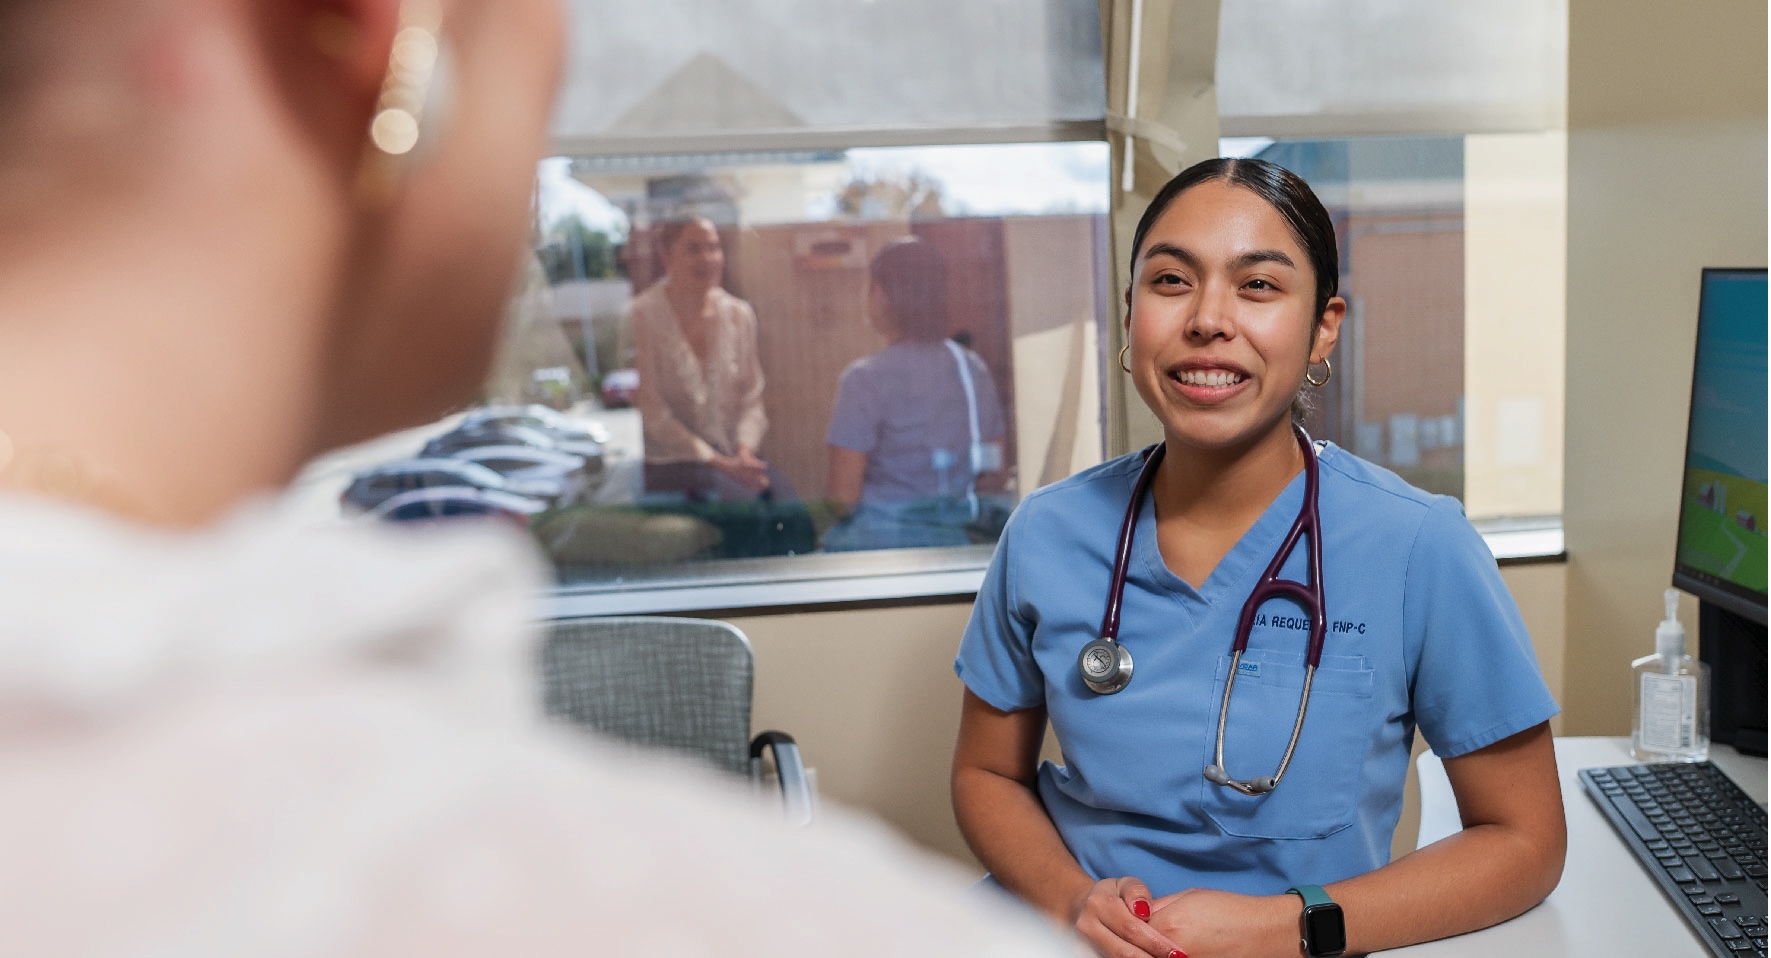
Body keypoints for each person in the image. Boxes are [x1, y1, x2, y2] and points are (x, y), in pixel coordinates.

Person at [0, 1, 1086, 954]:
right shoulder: (736, 917)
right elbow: (665, 413)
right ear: (373, 32)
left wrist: (746, 446)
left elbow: (750, 397)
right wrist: (714, 460)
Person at [951, 157, 1566, 958]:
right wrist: (1071, 902)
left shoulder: (1416, 545)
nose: (1207, 319)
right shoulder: (1046, 532)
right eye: (1170, 281)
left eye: (1258, 286)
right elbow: (986, 775)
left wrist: (1289, 925)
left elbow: (1524, 841)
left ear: (1323, 327)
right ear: (1129, 311)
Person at [824, 237, 1008, 551]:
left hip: (877, 549)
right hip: (952, 544)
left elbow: (843, 499)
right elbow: (996, 474)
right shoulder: (970, 368)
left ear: (879, 295)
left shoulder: (864, 380)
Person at [629, 215, 792, 502]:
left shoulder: (739, 315)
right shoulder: (643, 315)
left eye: (714, 247)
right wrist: (718, 463)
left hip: (736, 461)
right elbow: (653, 412)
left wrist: (742, 453)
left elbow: (752, 399)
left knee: (792, 517)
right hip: (672, 470)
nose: (708, 258)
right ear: (666, 256)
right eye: (693, 249)